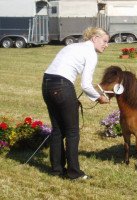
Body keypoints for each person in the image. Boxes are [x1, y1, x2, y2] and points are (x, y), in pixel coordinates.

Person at [42, 27, 110, 180]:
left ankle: (57, 170)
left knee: (57, 129)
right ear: (94, 38)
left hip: (46, 84)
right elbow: (86, 85)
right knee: (72, 132)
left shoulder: (72, 46)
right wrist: (100, 97)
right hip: (62, 86)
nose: (107, 45)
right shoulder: (91, 53)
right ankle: (74, 173)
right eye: (105, 41)